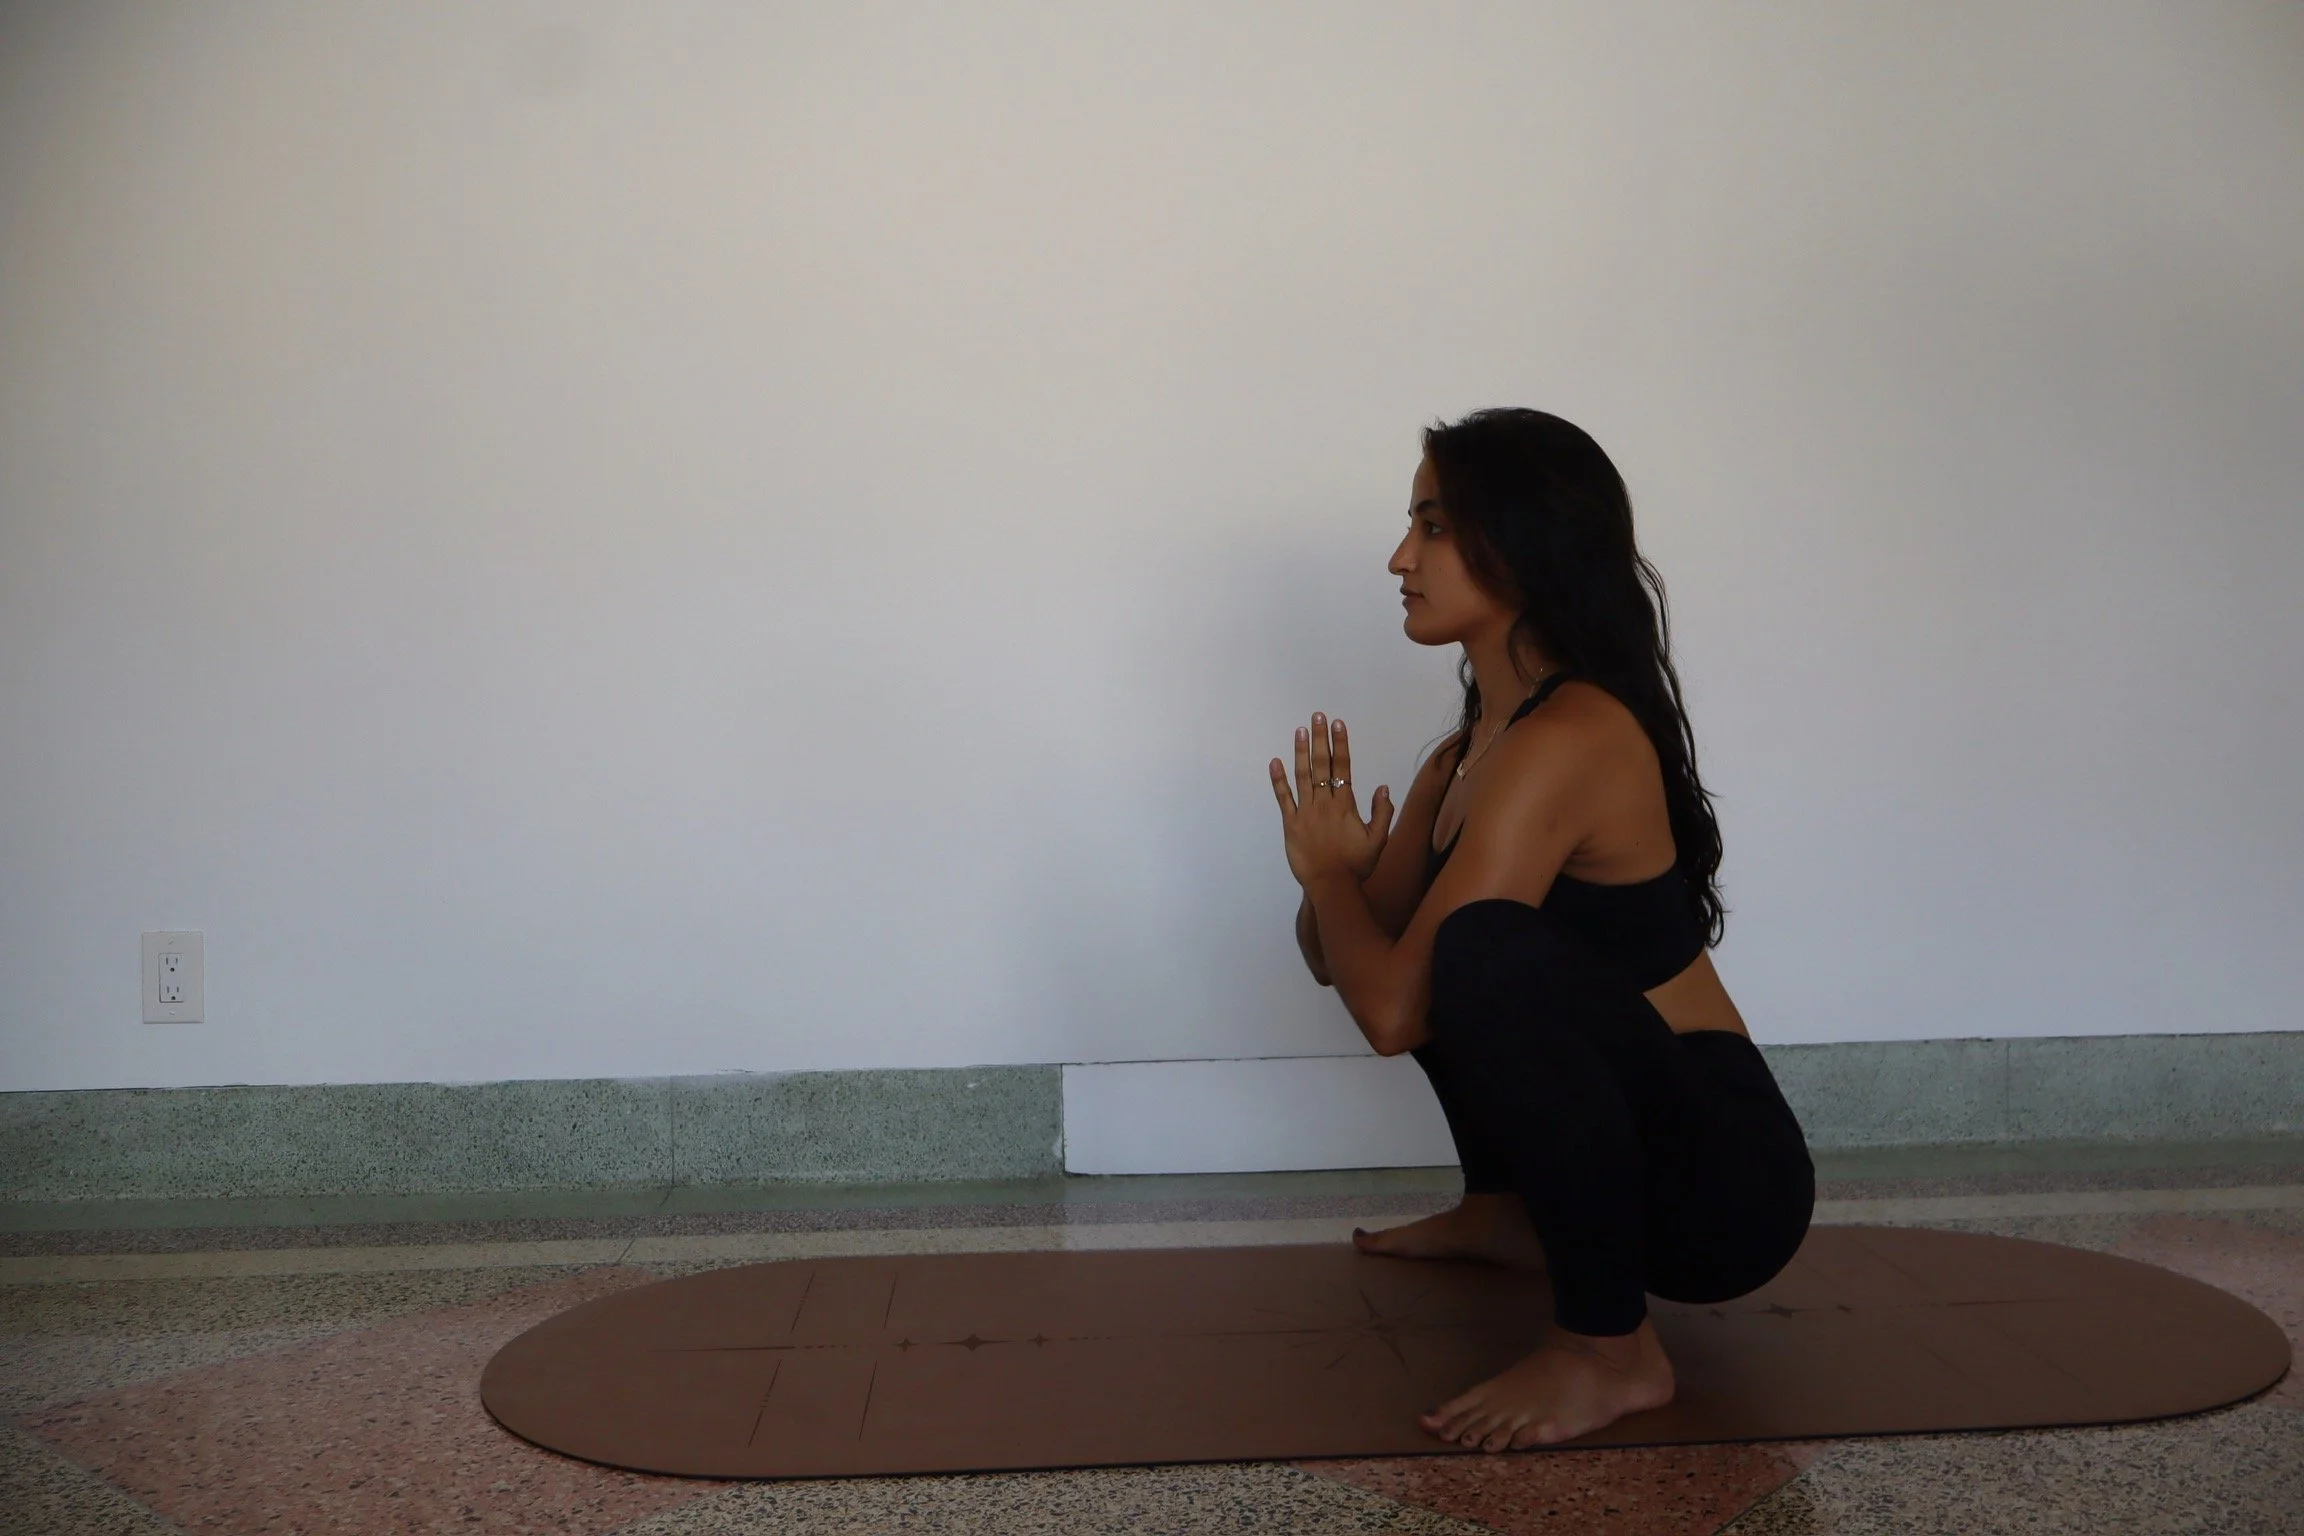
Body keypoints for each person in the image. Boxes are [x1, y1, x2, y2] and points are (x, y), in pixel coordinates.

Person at [1267, 408, 1813, 1453]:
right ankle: (1507, 1208)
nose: (1400, 556)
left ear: (1518, 544)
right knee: (1456, 941)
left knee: (1476, 946)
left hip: (1725, 1189)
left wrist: (1342, 883)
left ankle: (1613, 1352)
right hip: (1650, 1160)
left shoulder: (1573, 738)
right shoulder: (1466, 753)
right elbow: (1334, 956)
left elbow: (1391, 1010)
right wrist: (1335, 884)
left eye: (1431, 526)